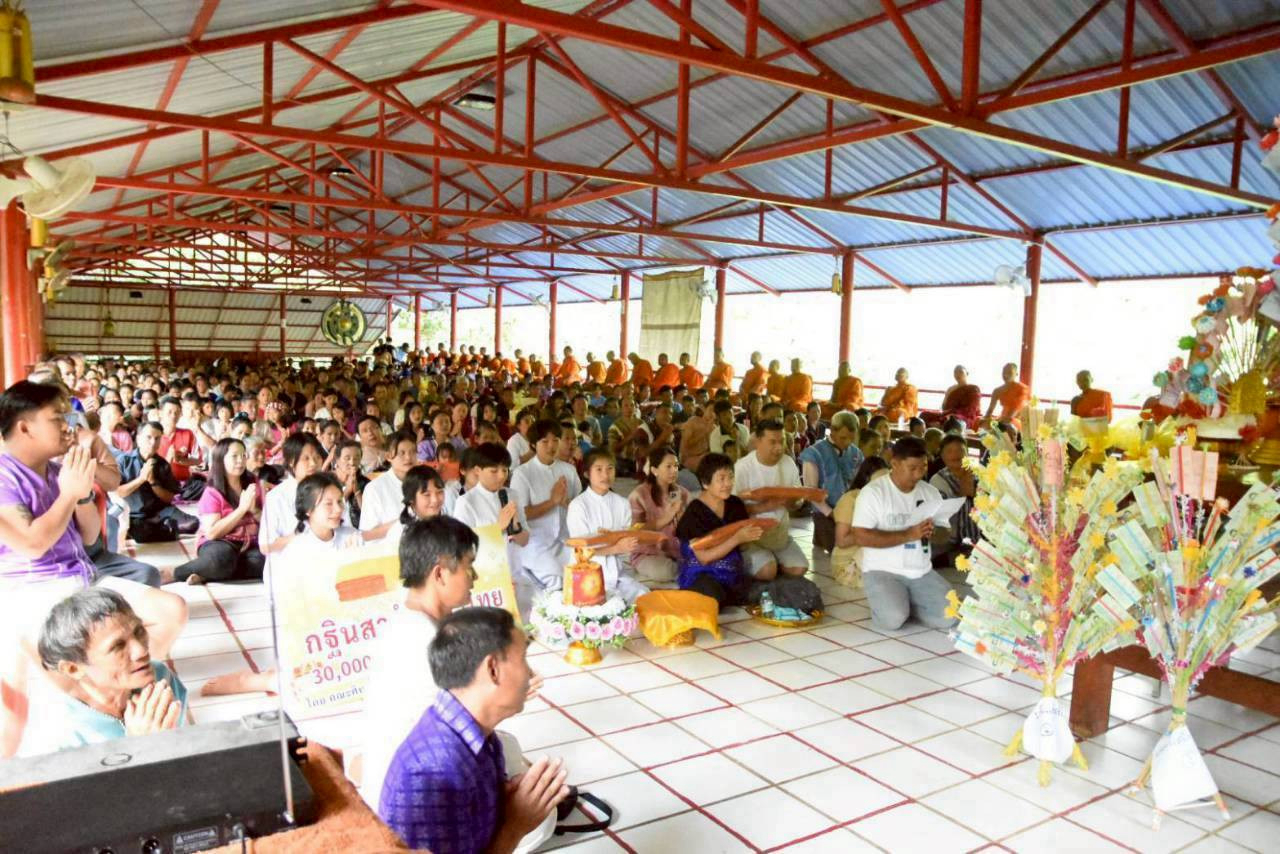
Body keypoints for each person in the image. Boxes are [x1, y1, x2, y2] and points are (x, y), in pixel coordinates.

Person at [378, 606, 567, 854]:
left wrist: (504, 803)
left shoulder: (478, 735)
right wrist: (515, 826)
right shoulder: (434, 773)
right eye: (523, 659)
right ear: (492, 670)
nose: (530, 673)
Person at [34, 588, 186, 752]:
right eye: (117, 646)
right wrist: (139, 745)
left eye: (139, 631)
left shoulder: (161, 678)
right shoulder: (61, 733)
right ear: (73, 669)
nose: (141, 651)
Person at [850, 436, 956, 631]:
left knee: (950, 616)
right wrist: (909, 534)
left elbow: (944, 534)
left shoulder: (930, 492)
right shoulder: (873, 493)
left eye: (923, 467)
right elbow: (861, 536)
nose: (918, 474)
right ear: (895, 464)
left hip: (920, 570)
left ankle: (909, 603)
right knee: (893, 620)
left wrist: (935, 532)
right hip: (882, 570)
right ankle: (895, 605)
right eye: (912, 468)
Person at [173, 437, 266, 585]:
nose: (240, 461)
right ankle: (176, 572)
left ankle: (208, 573)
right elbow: (212, 533)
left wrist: (254, 510)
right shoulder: (212, 491)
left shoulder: (252, 483)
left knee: (266, 561)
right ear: (221, 459)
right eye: (234, 456)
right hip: (219, 544)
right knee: (222, 558)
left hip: (249, 544)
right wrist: (242, 509)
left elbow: (267, 521)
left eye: (243, 455)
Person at [675, 454, 763, 607]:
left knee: (761, 592)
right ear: (705, 483)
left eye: (730, 477)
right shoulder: (694, 512)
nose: (728, 483)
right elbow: (704, 558)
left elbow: (742, 546)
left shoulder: (735, 504)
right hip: (701, 572)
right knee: (712, 596)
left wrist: (751, 535)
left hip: (730, 570)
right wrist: (736, 538)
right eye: (721, 479)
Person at [565, 448, 647, 603]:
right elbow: (581, 549)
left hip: (617, 573)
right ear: (587, 474)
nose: (605, 475)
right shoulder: (578, 505)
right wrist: (616, 545)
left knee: (643, 596)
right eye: (599, 469)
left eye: (610, 469)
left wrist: (624, 543)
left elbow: (626, 544)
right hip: (586, 575)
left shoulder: (622, 503)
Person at [510, 421, 580, 592]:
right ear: (533, 444)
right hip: (536, 541)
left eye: (555, 440)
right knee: (556, 579)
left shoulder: (569, 470)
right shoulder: (522, 473)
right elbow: (520, 514)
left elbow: (580, 507)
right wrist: (552, 502)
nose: (551, 446)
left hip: (565, 539)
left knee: (582, 573)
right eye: (544, 442)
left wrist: (567, 503)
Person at [734, 420, 809, 580]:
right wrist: (763, 507)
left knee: (800, 569)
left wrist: (792, 502)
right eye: (772, 442)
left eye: (781, 441)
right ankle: (763, 564)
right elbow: (729, 510)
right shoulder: (742, 467)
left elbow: (799, 501)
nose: (779, 448)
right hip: (751, 538)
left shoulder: (788, 463)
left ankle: (771, 561)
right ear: (758, 442)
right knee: (768, 572)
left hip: (779, 535)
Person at [115, 421, 199, 543]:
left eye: (157, 438)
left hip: (160, 511)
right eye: (148, 437)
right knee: (142, 533)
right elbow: (119, 492)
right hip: (134, 514)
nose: (153, 442)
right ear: (138, 439)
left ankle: (162, 528)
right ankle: (162, 530)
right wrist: (141, 479)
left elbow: (169, 498)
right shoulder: (123, 461)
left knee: (192, 523)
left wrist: (153, 482)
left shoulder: (163, 464)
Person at [799, 410, 863, 552]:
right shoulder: (814, 453)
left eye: (851, 439)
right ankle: (821, 536)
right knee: (840, 548)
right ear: (832, 431)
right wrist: (832, 513)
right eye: (843, 438)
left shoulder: (856, 453)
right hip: (825, 512)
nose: (847, 444)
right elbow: (811, 492)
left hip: (850, 510)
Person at [258, 432, 326, 560]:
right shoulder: (277, 497)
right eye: (306, 458)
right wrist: (300, 537)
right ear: (291, 462)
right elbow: (265, 545)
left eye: (317, 457)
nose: (313, 464)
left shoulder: (329, 490)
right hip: (289, 565)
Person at [627, 446, 689, 584]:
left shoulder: (682, 493)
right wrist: (667, 518)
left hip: (677, 551)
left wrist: (682, 519)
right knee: (665, 571)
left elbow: (689, 530)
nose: (674, 470)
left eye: (676, 466)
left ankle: (690, 568)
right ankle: (689, 569)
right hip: (648, 553)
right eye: (668, 466)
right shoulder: (639, 495)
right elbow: (635, 531)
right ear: (654, 470)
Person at [830, 457, 889, 590]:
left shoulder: (885, 498)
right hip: (849, 564)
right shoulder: (850, 499)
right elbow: (841, 541)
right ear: (867, 479)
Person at [928, 434, 980, 568]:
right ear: (943, 456)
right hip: (948, 539)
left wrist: (974, 493)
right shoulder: (937, 480)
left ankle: (961, 556)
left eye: (960, 450)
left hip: (975, 536)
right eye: (950, 451)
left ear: (967, 453)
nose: (955, 455)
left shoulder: (979, 474)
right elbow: (940, 517)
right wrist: (963, 493)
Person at [365, 464, 447, 542]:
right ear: (411, 499)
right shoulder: (400, 534)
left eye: (439, 492)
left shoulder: (447, 526)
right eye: (427, 495)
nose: (435, 500)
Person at [359, 431, 419, 534]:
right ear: (388, 456)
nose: (408, 457)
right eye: (402, 453)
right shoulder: (374, 488)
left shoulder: (426, 481)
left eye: (413, 452)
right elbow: (367, 533)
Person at [156, 395, 200, 482]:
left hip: (184, 483)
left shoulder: (187, 433)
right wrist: (168, 459)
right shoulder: (152, 435)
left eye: (177, 413)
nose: (173, 416)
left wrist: (180, 459)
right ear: (160, 413)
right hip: (159, 483)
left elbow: (198, 460)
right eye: (169, 412)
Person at [677, 403, 715, 491]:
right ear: (704, 409)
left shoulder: (713, 426)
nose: (712, 414)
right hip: (689, 458)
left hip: (705, 457)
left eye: (715, 412)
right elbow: (685, 446)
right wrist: (705, 431)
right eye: (710, 410)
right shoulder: (692, 422)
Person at [986, 362, 1031, 428]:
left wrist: (999, 422)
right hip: (1002, 418)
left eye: (1010, 372)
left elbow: (1013, 411)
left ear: (1016, 374)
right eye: (1004, 372)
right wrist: (985, 419)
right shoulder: (997, 390)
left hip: (1017, 420)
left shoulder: (1022, 389)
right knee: (981, 422)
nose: (1006, 375)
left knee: (1006, 425)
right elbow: (990, 411)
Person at [505, 407, 537, 475]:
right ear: (519, 425)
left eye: (533, 421)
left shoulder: (538, 439)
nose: (531, 424)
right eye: (527, 422)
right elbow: (512, 466)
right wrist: (530, 453)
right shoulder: (513, 441)